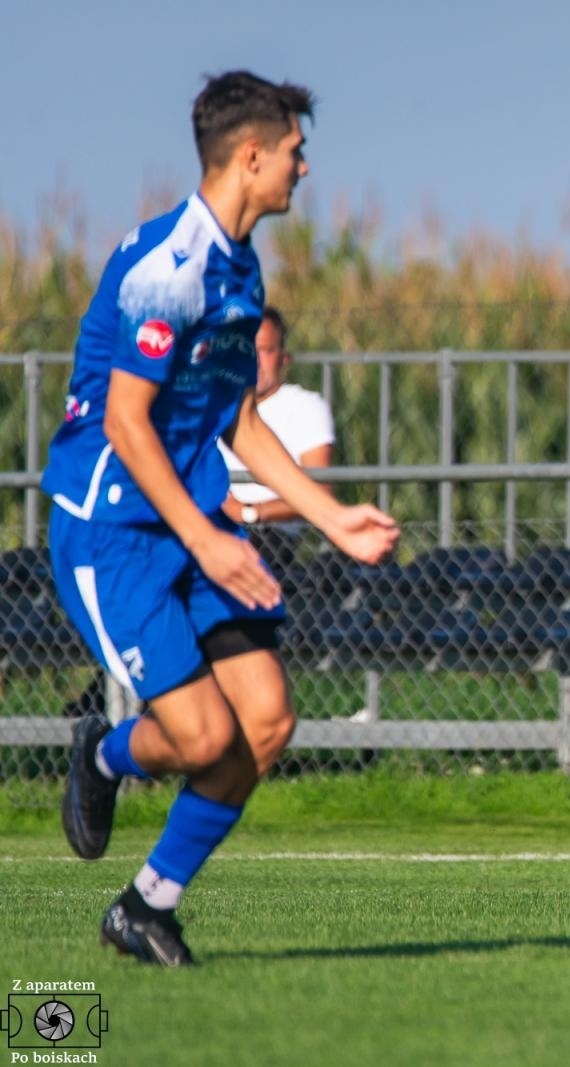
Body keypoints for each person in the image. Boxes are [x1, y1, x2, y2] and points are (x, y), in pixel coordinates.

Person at [43, 70, 399, 965]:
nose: (303, 169)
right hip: (113, 532)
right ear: (251, 156)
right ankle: (108, 754)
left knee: (267, 723)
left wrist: (331, 517)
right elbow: (127, 422)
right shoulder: (173, 268)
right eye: (294, 152)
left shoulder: (240, 266)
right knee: (204, 738)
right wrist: (206, 536)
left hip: (192, 520)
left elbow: (237, 417)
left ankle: (145, 906)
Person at [216, 306, 335, 573]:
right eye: (246, 349)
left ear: (284, 358)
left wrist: (248, 511)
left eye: (265, 350)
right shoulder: (212, 407)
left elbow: (319, 492)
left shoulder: (305, 406)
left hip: (268, 538)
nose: (254, 361)